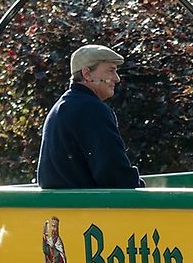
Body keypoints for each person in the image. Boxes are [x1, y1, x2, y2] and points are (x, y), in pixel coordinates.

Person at [36, 44, 144, 189]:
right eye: (110, 71)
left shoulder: (61, 107)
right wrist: (139, 188)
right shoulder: (91, 109)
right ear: (87, 73)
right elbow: (112, 172)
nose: (117, 79)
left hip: (59, 208)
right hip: (87, 208)